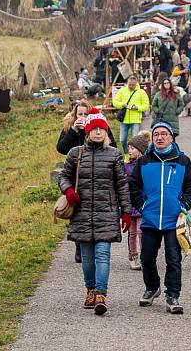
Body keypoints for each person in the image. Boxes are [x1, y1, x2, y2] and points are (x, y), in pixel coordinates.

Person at [58, 108, 132, 315]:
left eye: (102, 129)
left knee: (102, 254)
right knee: (87, 258)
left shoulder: (114, 155)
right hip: (81, 212)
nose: (98, 132)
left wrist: (126, 211)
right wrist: (69, 190)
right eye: (94, 129)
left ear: (107, 132)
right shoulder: (76, 153)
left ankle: (101, 294)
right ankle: (90, 290)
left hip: (106, 212)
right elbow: (63, 177)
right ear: (88, 132)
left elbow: (122, 185)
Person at [128, 120, 191, 315]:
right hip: (150, 218)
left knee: (173, 259)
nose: (159, 137)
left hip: (173, 220)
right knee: (147, 258)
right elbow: (133, 185)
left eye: (163, 134)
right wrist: (141, 205)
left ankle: (173, 295)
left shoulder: (182, 161)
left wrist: (183, 204)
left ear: (171, 137)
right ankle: (152, 287)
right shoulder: (144, 161)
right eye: (156, 134)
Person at [124, 131, 152, 270]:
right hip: (129, 203)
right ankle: (133, 255)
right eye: (128, 148)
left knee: (142, 230)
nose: (129, 151)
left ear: (140, 150)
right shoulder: (126, 166)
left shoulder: (146, 165)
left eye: (132, 148)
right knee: (132, 231)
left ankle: (143, 255)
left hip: (142, 203)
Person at [112, 75, 150, 157]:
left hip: (135, 119)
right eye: (130, 85)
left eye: (133, 85)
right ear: (127, 83)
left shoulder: (141, 92)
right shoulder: (122, 91)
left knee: (135, 140)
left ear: (136, 84)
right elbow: (115, 102)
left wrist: (137, 108)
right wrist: (122, 105)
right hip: (124, 119)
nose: (131, 86)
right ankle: (127, 153)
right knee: (122, 140)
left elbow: (146, 105)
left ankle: (135, 156)